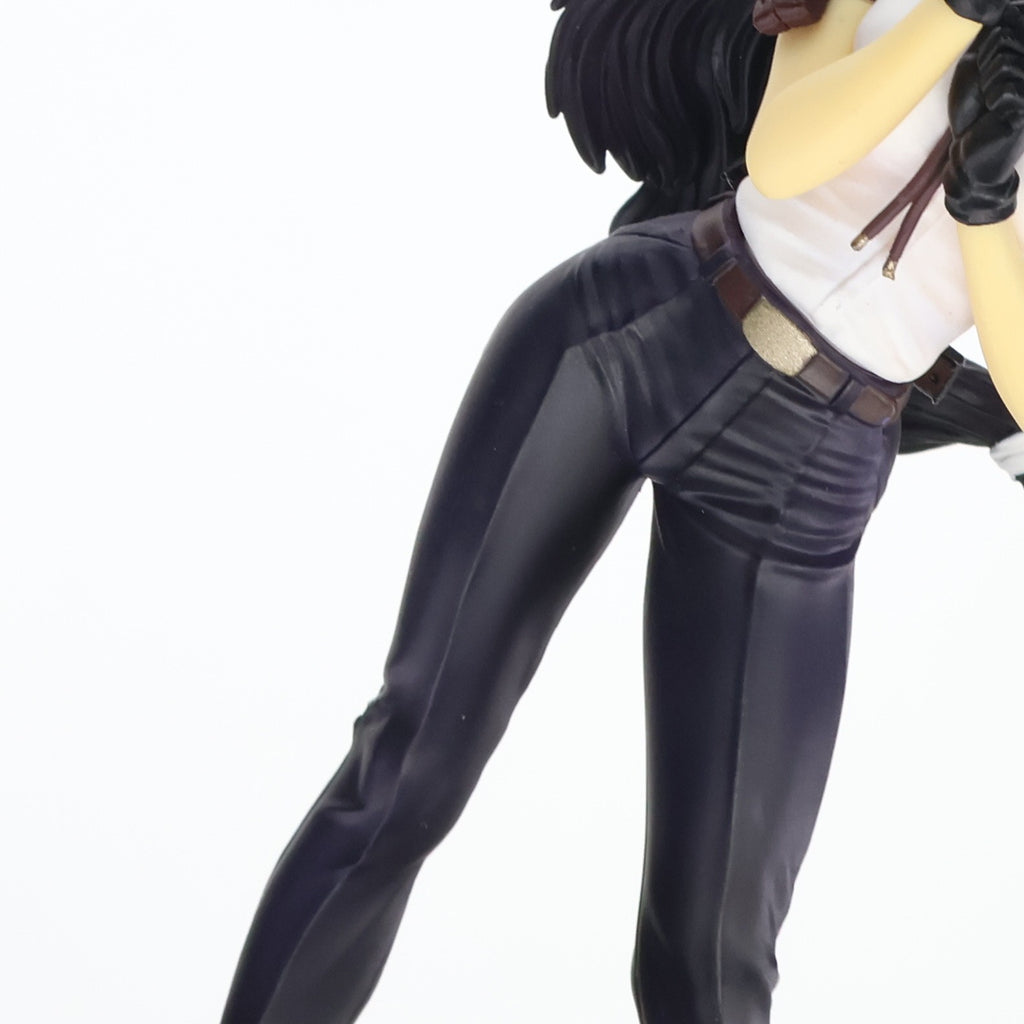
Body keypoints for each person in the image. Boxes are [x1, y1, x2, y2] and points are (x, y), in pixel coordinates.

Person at [219, 1, 1024, 1021]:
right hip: (631, 333)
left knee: (714, 941)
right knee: (408, 767)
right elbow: (784, 156)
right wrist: (952, 18)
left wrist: (985, 205)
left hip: (805, 479)